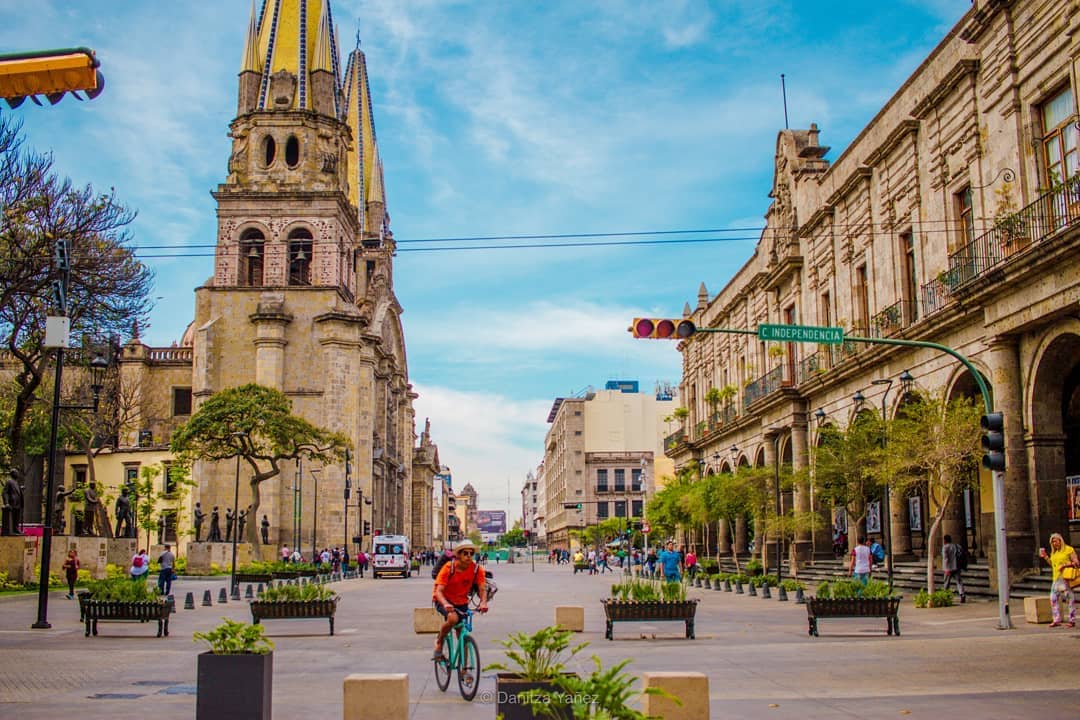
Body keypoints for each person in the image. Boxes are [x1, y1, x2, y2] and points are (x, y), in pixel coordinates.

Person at [431, 540, 488, 660]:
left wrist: (483, 602)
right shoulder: (448, 568)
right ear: (459, 555)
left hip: (461, 602)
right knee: (453, 618)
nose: (468, 556)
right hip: (443, 600)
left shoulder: (477, 569)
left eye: (471, 554)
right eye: (465, 553)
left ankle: (465, 669)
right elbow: (439, 591)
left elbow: (482, 589)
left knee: (462, 634)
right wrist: (446, 604)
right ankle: (439, 642)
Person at [1038, 532, 1078, 628]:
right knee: (1053, 598)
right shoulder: (1054, 552)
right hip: (1056, 578)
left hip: (1066, 578)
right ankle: (1056, 619)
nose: (1054, 544)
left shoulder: (1069, 550)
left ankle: (1072, 620)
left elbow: (1076, 562)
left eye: (1056, 541)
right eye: (1052, 542)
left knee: (1070, 598)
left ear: (1061, 541)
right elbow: (1053, 564)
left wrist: (1064, 565)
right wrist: (1046, 557)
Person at [942, 534, 966, 603]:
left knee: (946, 583)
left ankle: (945, 596)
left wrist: (946, 569)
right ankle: (962, 594)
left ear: (945, 540)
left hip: (949, 568)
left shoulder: (945, 547)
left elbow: (945, 558)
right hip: (957, 567)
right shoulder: (956, 546)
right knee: (959, 582)